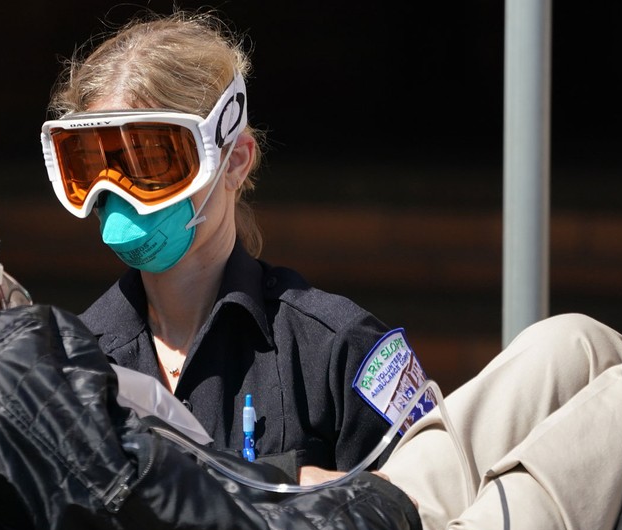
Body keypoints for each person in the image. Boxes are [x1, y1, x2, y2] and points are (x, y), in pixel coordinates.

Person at [0, 152, 622, 530]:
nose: (12, 283)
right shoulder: (26, 388)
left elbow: (171, 509)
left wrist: (290, 486)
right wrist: (355, 507)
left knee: (575, 344)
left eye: (152, 161)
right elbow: (182, 520)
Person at [41, 13, 413, 480]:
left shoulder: (340, 349)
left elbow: (427, 514)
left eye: (152, 160)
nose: (120, 191)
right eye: (92, 163)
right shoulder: (74, 363)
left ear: (234, 162)